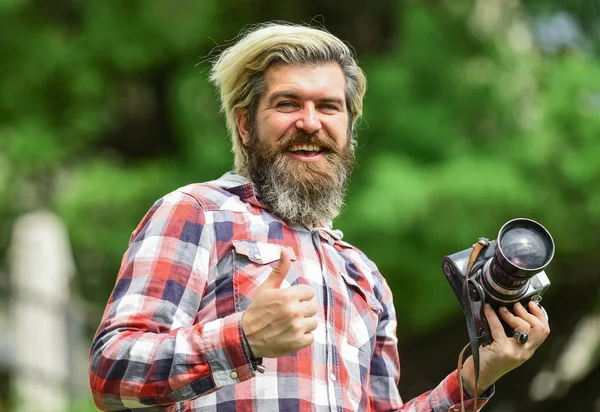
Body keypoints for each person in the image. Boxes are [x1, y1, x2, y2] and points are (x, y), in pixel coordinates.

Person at [88, 22, 550, 412]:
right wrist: (242, 338)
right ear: (246, 125)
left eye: (328, 107)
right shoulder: (197, 214)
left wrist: (471, 381)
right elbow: (111, 373)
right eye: (287, 104)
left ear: (348, 129)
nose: (310, 122)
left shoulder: (364, 276)